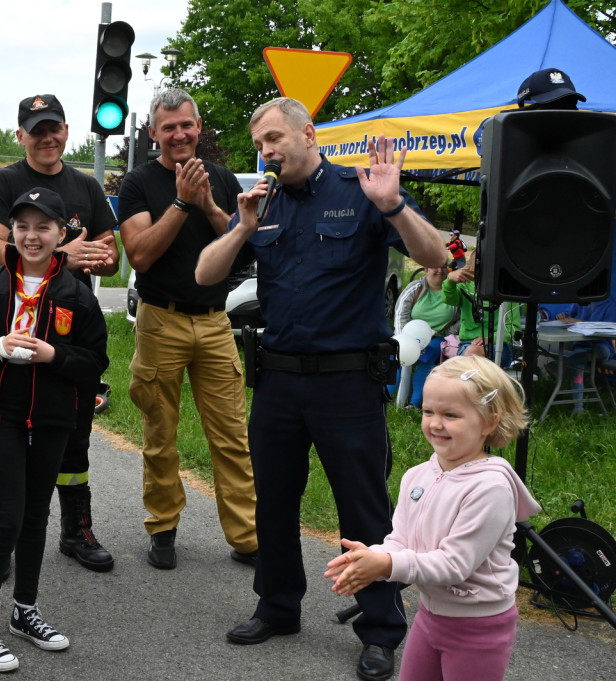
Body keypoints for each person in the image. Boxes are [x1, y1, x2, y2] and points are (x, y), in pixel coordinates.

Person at [196, 97, 447, 681]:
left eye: (276, 139)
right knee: (274, 503)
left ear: (310, 134)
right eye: (260, 144)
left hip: (347, 385)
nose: (268, 152)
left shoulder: (361, 191)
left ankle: (381, 627)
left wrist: (393, 205)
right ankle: (278, 606)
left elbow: (434, 254)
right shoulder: (263, 203)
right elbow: (206, 276)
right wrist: (243, 231)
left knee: (361, 507)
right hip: (279, 382)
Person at [0, 187, 109, 672]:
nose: (32, 236)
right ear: (12, 232)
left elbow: (95, 359)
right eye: (23, 226)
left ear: (63, 234)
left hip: (54, 417)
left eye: (43, 227)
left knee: (36, 517)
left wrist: (53, 355)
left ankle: (24, 611)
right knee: (7, 519)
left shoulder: (77, 296)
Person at [325, 354, 541, 681]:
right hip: (430, 615)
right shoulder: (417, 475)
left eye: (451, 414)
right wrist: (375, 557)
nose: (436, 423)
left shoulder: (490, 488)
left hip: (479, 627)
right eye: (429, 411)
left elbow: (454, 565)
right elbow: (401, 539)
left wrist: (387, 566)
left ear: (489, 421)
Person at [0, 93, 118, 572]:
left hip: (69, 326)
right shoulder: (3, 182)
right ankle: (10, 531)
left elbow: (110, 252)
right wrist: (63, 257)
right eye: (36, 130)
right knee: (13, 430)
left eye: (54, 127)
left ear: (66, 131)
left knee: (73, 433)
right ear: (21, 136)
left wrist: (100, 255)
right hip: (14, 324)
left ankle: (75, 530)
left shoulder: (86, 187)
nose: (47, 137)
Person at [118, 88, 258, 570]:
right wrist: (180, 204)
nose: (179, 134)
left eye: (187, 125)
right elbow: (139, 255)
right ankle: (162, 527)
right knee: (161, 433)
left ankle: (246, 537)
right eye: (168, 127)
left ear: (199, 128)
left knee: (232, 436)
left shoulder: (220, 177)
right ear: (153, 132)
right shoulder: (137, 184)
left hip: (215, 322)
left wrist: (209, 205)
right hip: (161, 320)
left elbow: (240, 246)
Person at [393, 266, 460, 408]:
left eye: (443, 268)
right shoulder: (415, 287)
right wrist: (402, 339)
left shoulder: (454, 289)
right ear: (426, 270)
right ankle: (384, 396)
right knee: (396, 357)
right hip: (409, 335)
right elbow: (400, 313)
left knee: (427, 357)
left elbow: (462, 317)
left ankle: (414, 403)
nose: (440, 271)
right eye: (435, 267)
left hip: (439, 337)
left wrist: (444, 332)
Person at [441, 252, 521, 367]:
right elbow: (447, 298)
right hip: (467, 344)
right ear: (469, 267)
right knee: (472, 352)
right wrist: (450, 280)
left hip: (499, 346)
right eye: (477, 269)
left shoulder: (507, 291)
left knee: (472, 355)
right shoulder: (463, 286)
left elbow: (513, 328)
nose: (483, 273)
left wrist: (491, 338)